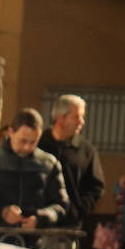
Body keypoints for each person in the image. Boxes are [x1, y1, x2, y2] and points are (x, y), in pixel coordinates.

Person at [0, 108, 70, 241]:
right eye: (23, 141)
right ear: (10, 132)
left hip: (32, 243)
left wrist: (41, 218)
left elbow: (61, 204)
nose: (27, 147)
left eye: (33, 142)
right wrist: (1, 212)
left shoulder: (50, 164)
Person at [38, 95, 105, 228]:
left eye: (82, 117)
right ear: (60, 118)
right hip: (37, 221)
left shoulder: (86, 150)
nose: (81, 122)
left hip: (68, 226)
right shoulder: (38, 143)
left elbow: (96, 186)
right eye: (76, 117)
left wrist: (78, 210)